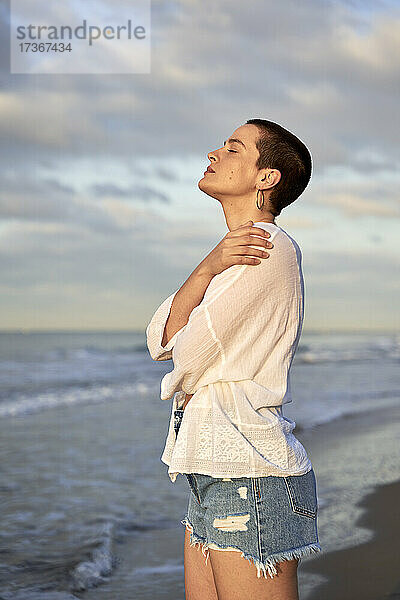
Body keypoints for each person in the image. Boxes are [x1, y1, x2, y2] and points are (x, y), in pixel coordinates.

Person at [146, 119, 322, 600]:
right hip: (216, 467)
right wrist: (208, 264)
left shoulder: (266, 248)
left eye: (233, 148)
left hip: (249, 475)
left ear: (266, 178)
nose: (214, 153)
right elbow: (160, 339)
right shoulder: (230, 256)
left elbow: (186, 354)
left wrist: (183, 357)